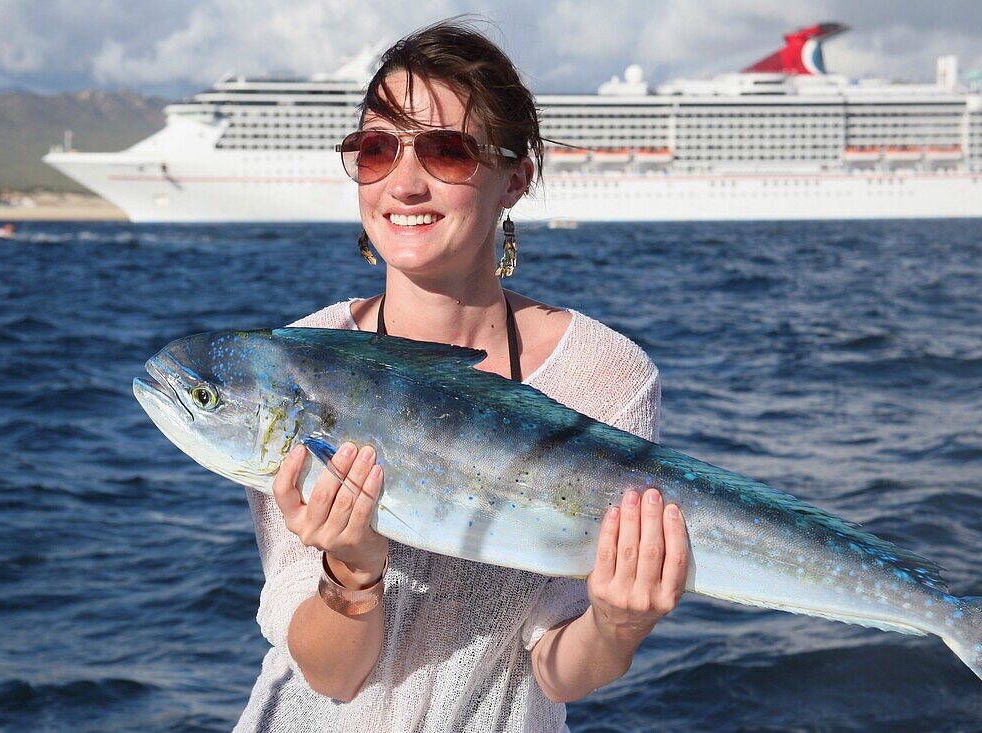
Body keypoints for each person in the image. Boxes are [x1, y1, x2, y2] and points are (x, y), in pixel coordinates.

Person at [235, 19, 689, 733]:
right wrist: (350, 572)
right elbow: (331, 672)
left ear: (516, 178)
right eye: (377, 149)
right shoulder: (301, 362)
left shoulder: (605, 373)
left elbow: (556, 664)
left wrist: (617, 623)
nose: (404, 182)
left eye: (446, 151)